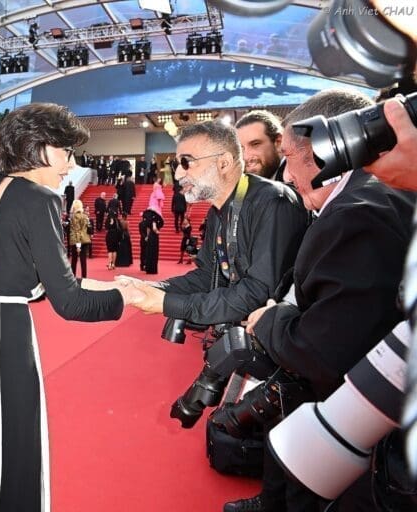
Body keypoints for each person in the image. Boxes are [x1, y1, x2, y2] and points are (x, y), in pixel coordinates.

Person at [0, 103, 144, 512]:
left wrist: (114, 284)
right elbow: (69, 301)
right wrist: (129, 298)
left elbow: (32, 282)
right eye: (66, 151)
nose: (70, 164)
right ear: (40, 148)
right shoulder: (38, 198)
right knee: (12, 450)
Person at [235, 89, 415, 512]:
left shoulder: (357, 213)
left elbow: (323, 352)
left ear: (323, 152)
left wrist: (268, 320)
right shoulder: (375, 193)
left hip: (361, 429)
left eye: (289, 158)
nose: (285, 176)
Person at [132, 120, 307, 327]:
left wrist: (169, 303)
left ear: (223, 163)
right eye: (175, 165)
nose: (178, 174)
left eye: (186, 162)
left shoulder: (272, 201)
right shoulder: (218, 211)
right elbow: (207, 276)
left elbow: (259, 292)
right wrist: (152, 288)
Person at [235, 110, 284, 180]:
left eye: (255, 144)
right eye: (241, 148)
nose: (246, 157)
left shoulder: (296, 178)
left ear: (278, 142)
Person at [69, 199, 91, 279]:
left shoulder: (75, 217)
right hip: (85, 240)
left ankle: (73, 278)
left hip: (76, 241)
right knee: (83, 260)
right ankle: (84, 278)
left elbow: (77, 231)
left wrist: (78, 245)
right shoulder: (85, 216)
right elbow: (87, 228)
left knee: (74, 260)